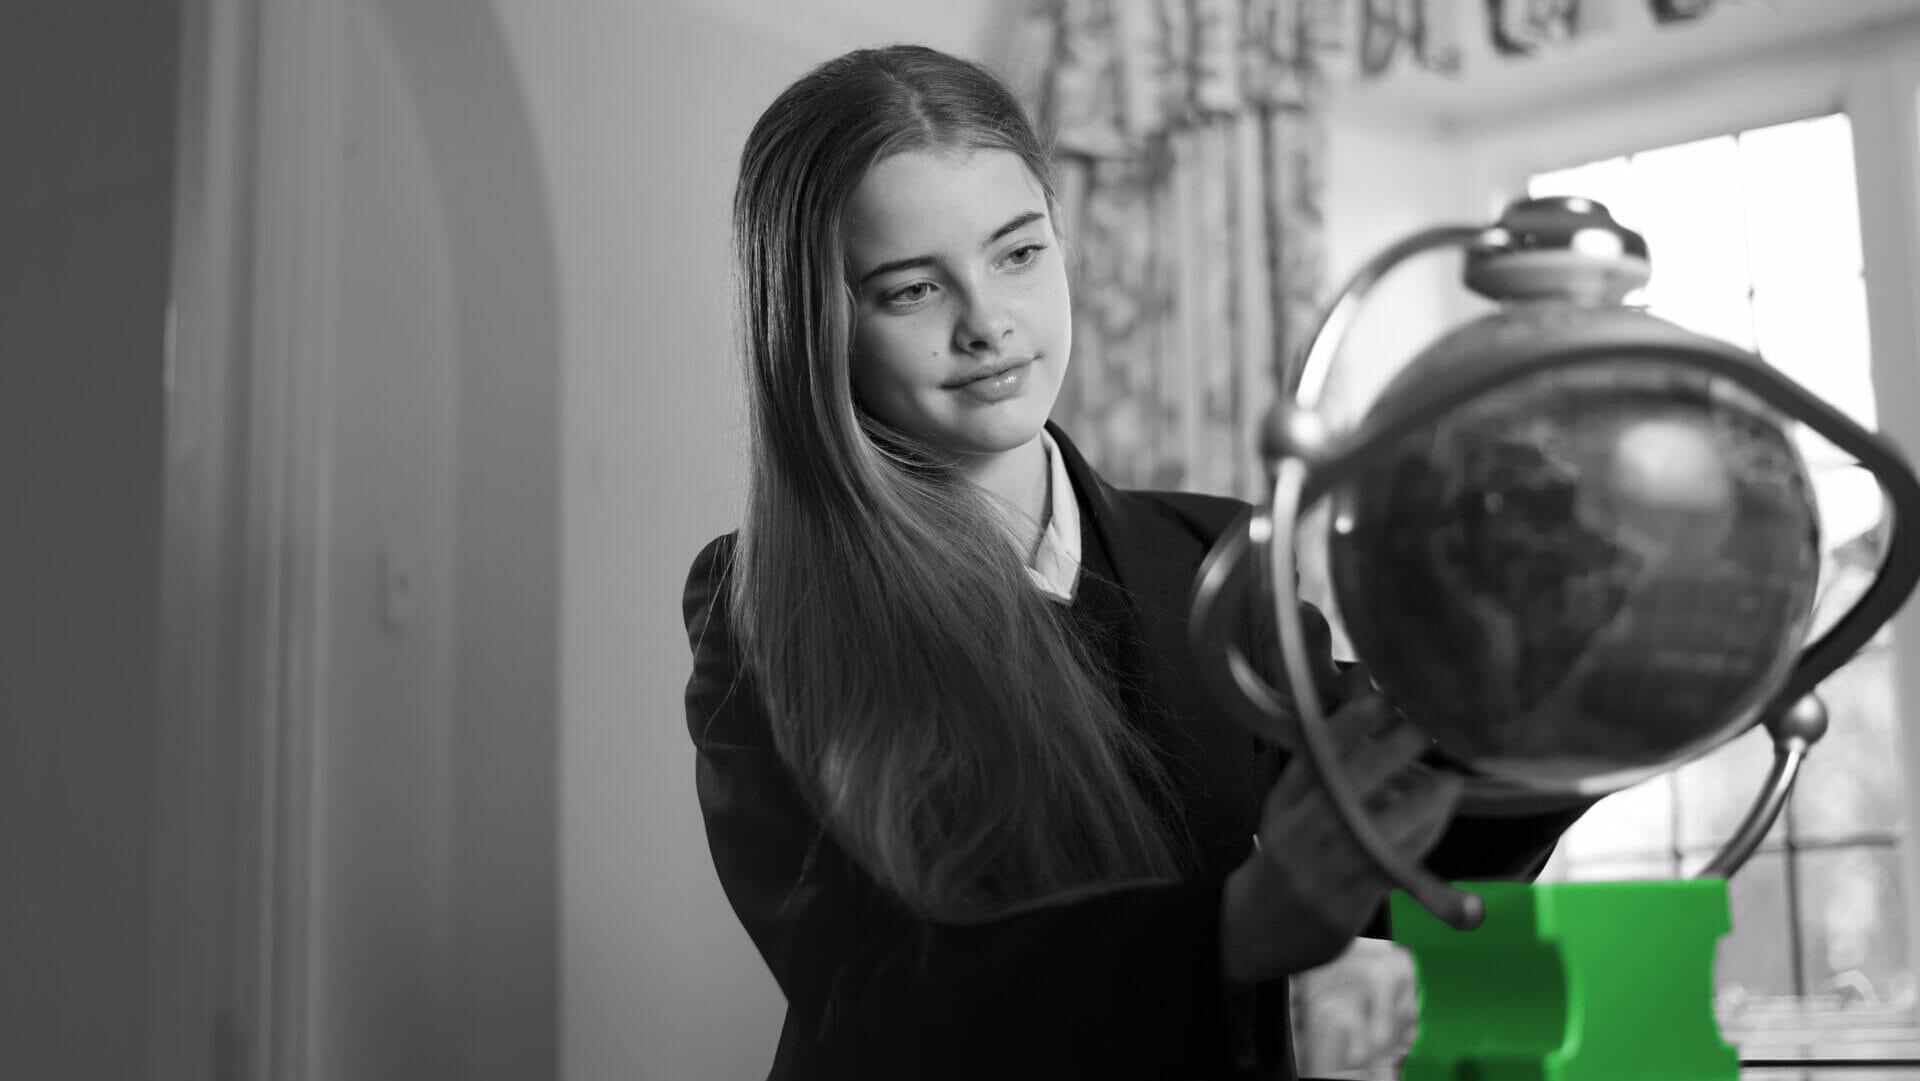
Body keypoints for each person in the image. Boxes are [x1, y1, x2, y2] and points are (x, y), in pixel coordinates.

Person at [683, 44, 1586, 1080]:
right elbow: (869, 1002)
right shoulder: (756, 606)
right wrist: (1229, 932)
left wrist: (1592, 684)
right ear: (815, 328)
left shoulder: (1217, 558)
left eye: (1018, 254)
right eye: (910, 290)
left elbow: (1405, 840)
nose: (989, 324)